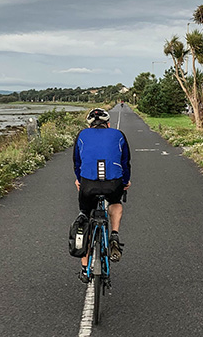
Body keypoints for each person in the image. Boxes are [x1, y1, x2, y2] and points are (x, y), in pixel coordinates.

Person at [73, 108, 131, 283]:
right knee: (115, 202)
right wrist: (125, 182)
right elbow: (125, 162)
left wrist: (79, 180)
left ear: (90, 125)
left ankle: (85, 269)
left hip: (88, 184)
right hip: (113, 183)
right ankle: (114, 234)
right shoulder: (118, 135)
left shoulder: (82, 135)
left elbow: (77, 162)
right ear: (108, 124)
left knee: (86, 217)